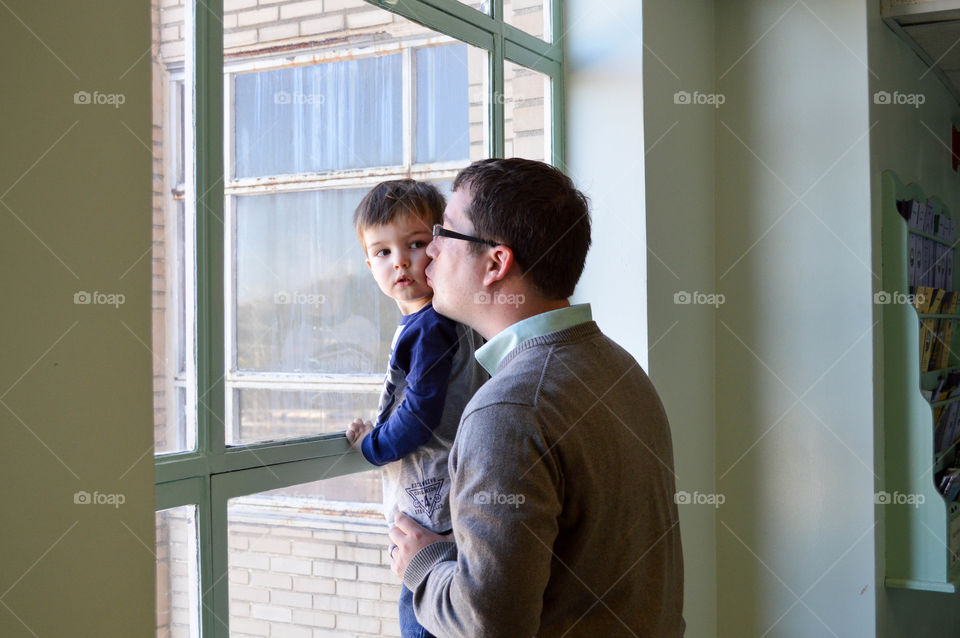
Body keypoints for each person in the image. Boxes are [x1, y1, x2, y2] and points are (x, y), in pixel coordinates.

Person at [387, 158, 685, 637]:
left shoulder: (509, 410)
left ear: (496, 263)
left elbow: (488, 626)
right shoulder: (620, 368)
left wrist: (423, 564)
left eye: (444, 233)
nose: (429, 254)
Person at [344, 179, 488, 638]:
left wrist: (372, 445)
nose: (400, 261)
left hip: (433, 516)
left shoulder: (431, 328)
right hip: (452, 503)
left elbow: (421, 415)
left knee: (423, 618)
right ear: (369, 263)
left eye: (416, 244)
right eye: (382, 252)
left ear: (440, 247)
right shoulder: (445, 321)